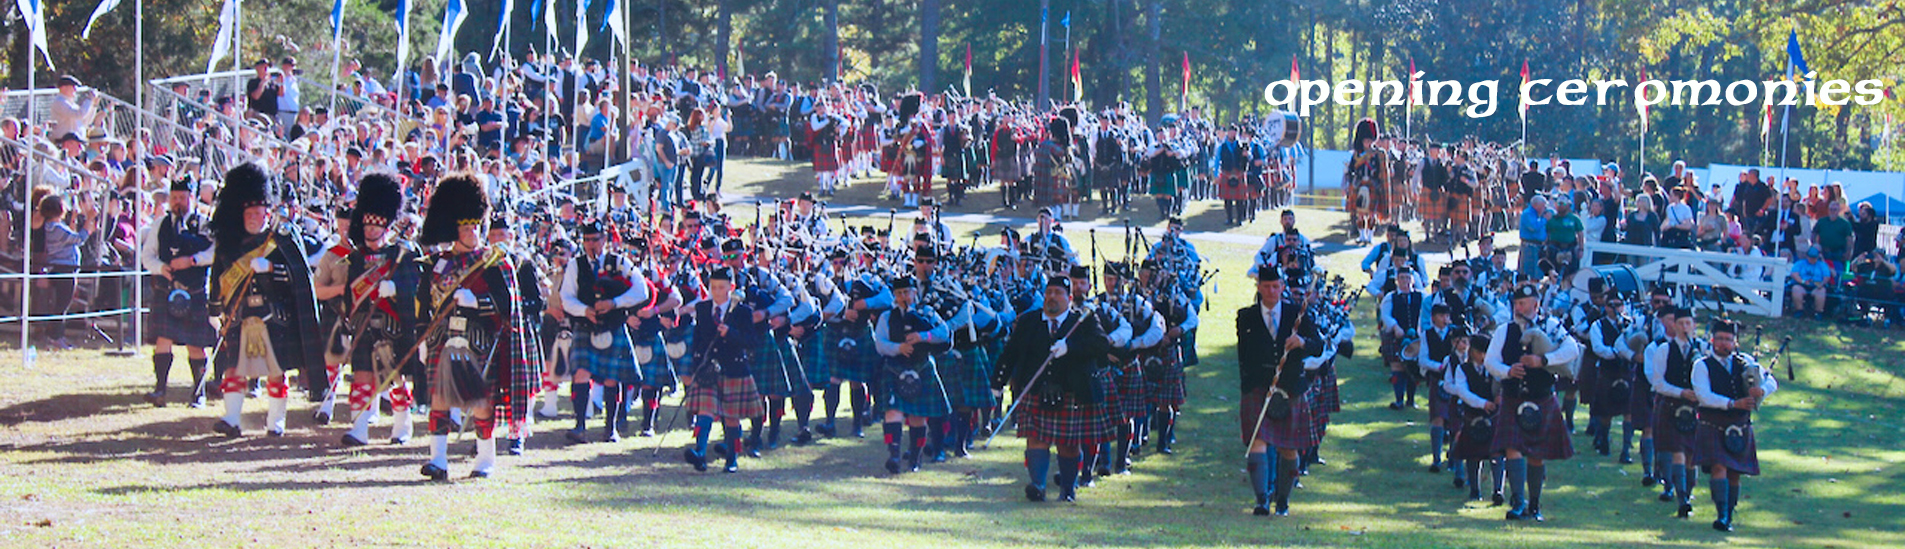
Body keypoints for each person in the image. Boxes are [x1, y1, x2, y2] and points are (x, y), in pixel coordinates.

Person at [413, 173, 539, 480]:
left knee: (482, 403)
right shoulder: (436, 264)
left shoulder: (496, 261)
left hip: (481, 339)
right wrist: (420, 339)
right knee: (440, 398)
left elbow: (508, 304)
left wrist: (476, 301)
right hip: (444, 339)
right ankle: (438, 461)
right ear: (454, 228)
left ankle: (485, 460)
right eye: (466, 227)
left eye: (475, 226)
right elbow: (423, 304)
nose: (472, 232)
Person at [206, 163, 325, 439]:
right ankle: (232, 419)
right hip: (239, 315)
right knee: (234, 369)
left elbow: (299, 277)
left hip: (274, 316)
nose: (253, 218)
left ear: (267, 214)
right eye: (249, 213)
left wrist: (271, 269)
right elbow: (218, 276)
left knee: (276, 370)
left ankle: (275, 422)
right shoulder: (230, 243)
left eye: (259, 213)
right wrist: (214, 308)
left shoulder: (280, 240)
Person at [995, 275, 1110, 503]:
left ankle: (1068, 489)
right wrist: (997, 383)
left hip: (1073, 391)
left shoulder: (1084, 320)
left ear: (1068, 298)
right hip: (1036, 390)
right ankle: (1037, 485)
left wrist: (1070, 347)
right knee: (1035, 439)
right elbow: (1011, 352)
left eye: (1058, 294)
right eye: (1049, 293)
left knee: (1068, 445)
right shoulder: (1029, 321)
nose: (1052, 298)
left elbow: (1101, 344)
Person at [335, 173, 423, 448]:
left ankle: (401, 423)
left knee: (394, 378)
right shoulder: (356, 257)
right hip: (363, 323)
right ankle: (359, 429)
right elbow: (350, 291)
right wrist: (347, 323)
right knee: (361, 374)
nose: (371, 231)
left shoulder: (402, 254)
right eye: (367, 226)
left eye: (376, 226)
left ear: (385, 226)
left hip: (391, 324)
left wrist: (395, 290)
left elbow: (416, 289)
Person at [1482, 284, 1581, 522]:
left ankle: (1534, 506)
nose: (1518, 308)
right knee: (1512, 448)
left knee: (1537, 454)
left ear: (1536, 305)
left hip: (1542, 397)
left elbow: (1572, 349)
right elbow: (1490, 361)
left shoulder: (1552, 327)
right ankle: (1518, 503)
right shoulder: (1504, 330)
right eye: (1516, 303)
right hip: (1513, 397)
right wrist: (1507, 371)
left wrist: (1544, 360)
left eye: (1523, 303)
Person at [1236, 267, 1323, 516]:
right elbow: (1244, 356)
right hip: (1258, 389)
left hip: (1290, 388)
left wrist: (1302, 343)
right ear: (1259, 287)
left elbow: (1318, 346)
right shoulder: (1246, 316)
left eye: (1275, 286)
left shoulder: (1298, 314)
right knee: (1257, 442)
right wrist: (1251, 386)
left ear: (1282, 287)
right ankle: (1262, 500)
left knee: (1288, 448)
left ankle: (1282, 500)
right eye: (1266, 286)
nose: (1271, 291)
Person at [559, 221, 650, 444]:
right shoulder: (574, 265)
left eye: (596, 239)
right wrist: (585, 310)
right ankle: (580, 426)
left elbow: (642, 290)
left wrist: (615, 302)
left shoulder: (620, 262)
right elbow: (566, 297)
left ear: (604, 240)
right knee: (581, 372)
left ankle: (610, 428)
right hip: (585, 325)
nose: (591, 245)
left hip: (613, 325)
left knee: (612, 378)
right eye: (587, 240)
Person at [1690, 319, 1777, 532]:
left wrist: (1761, 391)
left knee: (1735, 471)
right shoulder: (1701, 365)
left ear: (1734, 341)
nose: (1723, 343)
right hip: (1713, 422)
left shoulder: (1746, 362)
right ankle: (1722, 515)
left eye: (1728, 339)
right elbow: (1703, 395)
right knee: (1719, 467)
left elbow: (1771, 381)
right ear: (1712, 341)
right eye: (1719, 339)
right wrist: (1731, 403)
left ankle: (1729, 513)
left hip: (1739, 424)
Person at [138, 177, 217, 408]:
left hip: (194, 291)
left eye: (182, 198)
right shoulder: (160, 224)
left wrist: (192, 260)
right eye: (174, 198)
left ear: (191, 198)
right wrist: (161, 268)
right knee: (163, 339)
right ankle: (160, 390)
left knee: (196, 344)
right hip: (167, 289)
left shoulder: (204, 223)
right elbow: (147, 256)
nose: (178, 202)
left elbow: (216, 252)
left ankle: (198, 393)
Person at [682, 266, 765, 474]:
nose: (717, 292)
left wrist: (731, 333)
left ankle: (732, 458)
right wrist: (697, 364)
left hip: (734, 368)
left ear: (731, 287)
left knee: (731, 416)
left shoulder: (743, 311)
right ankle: (700, 452)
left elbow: (752, 341)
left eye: (721, 288)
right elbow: (698, 340)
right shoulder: (702, 308)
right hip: (708, 368)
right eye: (713, 287)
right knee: (705, 410)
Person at [873, 273, 953, 473]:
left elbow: (944, 334)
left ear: (914, 292)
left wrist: (923, 336)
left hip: (922, 366)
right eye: (899, 293)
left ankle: (915, 460)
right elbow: (879, 343)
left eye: (907, 292)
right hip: (894, 367)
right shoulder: (886, 317)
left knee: (918, 416)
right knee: (893, 412)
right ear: (894, 295)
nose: (903, 297)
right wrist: (898, 348)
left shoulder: (928, 313)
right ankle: (894, 455)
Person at [1645, 305, 1700, 518]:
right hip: (1671, 406)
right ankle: (1682, 498)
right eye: (1681, 323)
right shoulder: (1663, 350)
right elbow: (1658, 383)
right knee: (1678, 451)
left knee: (1691, 456)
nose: (1685, 327)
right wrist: (1682, 392)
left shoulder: (1702, 350)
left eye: (1688, 323)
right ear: (1674, 326)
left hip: (1694, 408)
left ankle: (1688, 492)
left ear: (1694, 326)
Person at [1787, 247, 1832, 319]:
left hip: (1817, 285)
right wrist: (1802, 281)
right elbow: (1794, 274)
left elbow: (1826, 277)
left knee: (1821, 291)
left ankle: (1818, 312)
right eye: (1811, 257)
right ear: (1807, 256)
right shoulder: (1800, 263)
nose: (1813, 259)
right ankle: (1799, 310)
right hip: (1802, 284)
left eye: (1814, 258)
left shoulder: (1822, 265)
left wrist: (1821, 284)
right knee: (1796, 289)